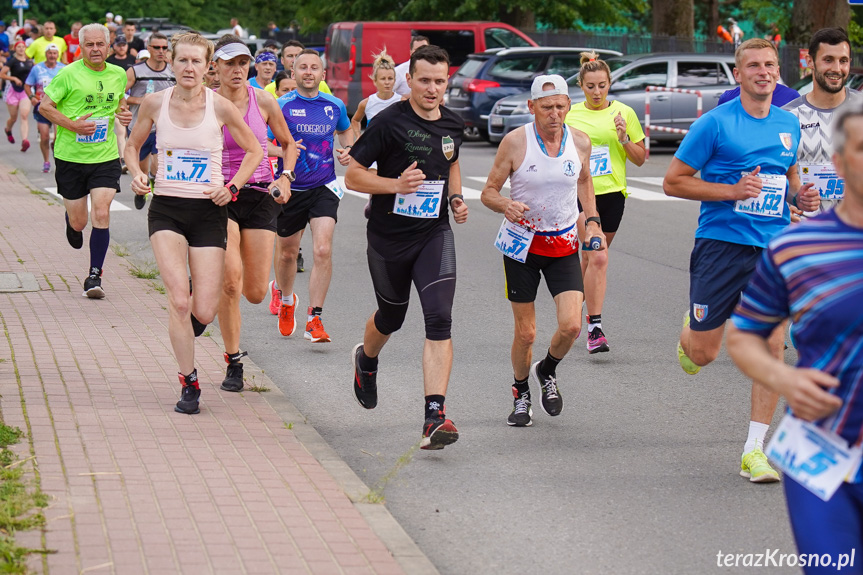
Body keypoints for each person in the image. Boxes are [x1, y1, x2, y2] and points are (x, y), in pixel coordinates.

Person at [663, 38, 820, 482]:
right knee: (703, 353)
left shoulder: (788, 125)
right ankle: (691, 332)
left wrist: (800, 196)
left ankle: (755, 450)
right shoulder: (713, 124)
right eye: (754, 65)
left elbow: (788, 174)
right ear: (739, 74)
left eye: (770, 65)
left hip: (773, 247)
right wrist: (731, 191)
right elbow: (674, 181)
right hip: (720, 243)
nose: (764, 72)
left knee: (773, 345)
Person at [728, 102, 863, 575]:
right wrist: (782, 378)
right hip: (819, 450)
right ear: (842, 161)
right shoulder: (796, 247)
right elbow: (743, 336)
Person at [125, 32, 263, 415]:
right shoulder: (155, 103)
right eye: (182, 61)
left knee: (204, 309)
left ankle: (190, 320)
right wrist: (136, 173)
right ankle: (189, 382)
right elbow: (133, 146)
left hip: (208, 212)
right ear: (172, 63)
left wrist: (232, 187)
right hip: (167, 208)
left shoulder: (220, 108)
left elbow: (254, 150)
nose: (189, 68)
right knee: (179, 302)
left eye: (196, 62)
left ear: (208, 68)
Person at [345, 44, 468, 449]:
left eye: (440, 81)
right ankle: (366, 359)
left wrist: (455, 198)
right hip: (387, 238)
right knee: (391, 317)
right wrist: (395, 185)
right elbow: (354, 177)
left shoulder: (454, 124)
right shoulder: (388, 122)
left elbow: (450, 161)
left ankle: (435, 416)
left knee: (439, 317)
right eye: (425, 80)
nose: (432, 89)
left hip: (433, 233)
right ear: (409, 80)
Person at [481, 74, 604, 427]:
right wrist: (504, 204)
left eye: (561, 106)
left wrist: (592, 220)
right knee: (527, 333)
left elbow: (584, 180)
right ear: (531, 107)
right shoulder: (515, 143)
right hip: (521, 246)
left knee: (570, 327)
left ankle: (546, 369)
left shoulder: (580, 142)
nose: (554, 114)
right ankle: (521, 393)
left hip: (563, 243)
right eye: (547, 107)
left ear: (569, 106)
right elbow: (488, 191)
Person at [211, 36, 298, 392]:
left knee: (255, 293)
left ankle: (212, 282)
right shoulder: (206, 103)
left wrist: (286, 177)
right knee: (230, 281)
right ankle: (233, 361)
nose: (237, 70)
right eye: (229, 63)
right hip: (220, 195)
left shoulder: (262, 100)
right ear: (214, 66)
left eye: (242, 63)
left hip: (261, 195)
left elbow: (289, 144)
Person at [38, 23, 131, 298]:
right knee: (80, 223)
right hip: (70, 157)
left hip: (105, 157)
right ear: (81, 47)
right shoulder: (68, 74)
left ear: (108, 46)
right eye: (89, 45)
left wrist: (123, 114)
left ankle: (94, 276)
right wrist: (73, 125)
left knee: (101, 213)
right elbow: (44, 106)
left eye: (100, 44)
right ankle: (71, 220)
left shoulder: (117, 75)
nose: (95, 49)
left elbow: (119, 105)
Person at [269, 48, 353, 343]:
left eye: (313, 67)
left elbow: (345, 132)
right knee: (288, 252)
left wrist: (348, 150)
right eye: (302, 67)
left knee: (322, 250)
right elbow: (261, 143)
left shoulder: (334, 105)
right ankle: (287, 299)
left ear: (322, 74)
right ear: (292, 73)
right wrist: (283, 150)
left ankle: (314, 317)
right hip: (291, 187)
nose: (308, 72)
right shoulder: (280, 105)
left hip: (324, 186)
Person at [564, 51, 645, 354]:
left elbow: (639, 159)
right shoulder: (570, 114)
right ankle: (594, 327)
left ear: (610, 84)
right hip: (579, 195)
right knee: (597, 256)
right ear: (581, 86)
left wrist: (624, 138)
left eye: (602, 86)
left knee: (588, 259)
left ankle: (573, 313)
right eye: (590, 86)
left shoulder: (624, 113)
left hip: (612, 195)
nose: (597, 92)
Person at [784, 28, 863, 218]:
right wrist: (785, 207)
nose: (836, 68)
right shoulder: (787, 117)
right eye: (828, 60)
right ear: (810, 61)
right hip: (807, 233)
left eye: (843, 61)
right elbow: (775, 176)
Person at [126, 32, 175, 209]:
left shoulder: (173, 70)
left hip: (163, 128)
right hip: (139, 125)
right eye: (157, 47)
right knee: (141, 169)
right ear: (149, 49)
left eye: (164, 48)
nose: (161, 51)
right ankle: (142, 187)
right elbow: (119, 95)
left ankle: (158, 190)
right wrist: (140, 101)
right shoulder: (135, 71)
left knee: (158, 163)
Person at [24, 43, 64, 172]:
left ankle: (56, 150)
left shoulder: (63, 69)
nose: (52, 56)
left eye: (54, 53)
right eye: (50, 53)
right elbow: (27, 85)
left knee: (58, 137)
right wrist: (32, 98)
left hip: (58, 107)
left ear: (58, 55)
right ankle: (46, 161)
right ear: (46, 54)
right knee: (45, 136)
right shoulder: (37, 69)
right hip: (41, 107)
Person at [350, 49, 399, 139]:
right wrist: (358, 137)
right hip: (373, 150)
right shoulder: (366, 103)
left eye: (390, 78)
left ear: (395, 80)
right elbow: (355, 120)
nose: (387, 82)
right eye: (383, 79)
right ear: (375, 81)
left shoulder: (402, 102)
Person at [264, 40, 331, 97]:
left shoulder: (320, 84)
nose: (294, 60)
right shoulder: (269, 89)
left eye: (298, 56)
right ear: (282, 60)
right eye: (290, 56)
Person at [1, 41, 33, 151]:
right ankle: (8, 129)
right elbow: (2, 74)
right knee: (13, 118)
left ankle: (25, 141)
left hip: (25, 91)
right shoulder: (12, 61)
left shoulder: (30, 62)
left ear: (25, 48)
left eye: (22, 47)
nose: (21, 49)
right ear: (15, 49)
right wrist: (14, 78)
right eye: (18, 47)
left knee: (24, 115)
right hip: (13, 91)